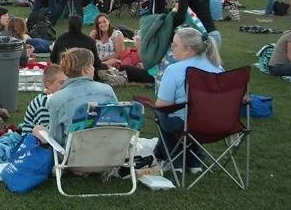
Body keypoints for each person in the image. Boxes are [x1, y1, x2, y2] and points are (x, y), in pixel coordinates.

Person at [153, 28, 223, 169]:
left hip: (187, 125)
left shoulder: (175, 70)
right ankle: (194, 159)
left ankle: (173, 159)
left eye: (175, 45)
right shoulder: (218, 68)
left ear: (189, 49)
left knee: (160, 113)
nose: (172, 49)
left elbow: (162, 105)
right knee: (180, 117)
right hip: (218, 124)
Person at [34, 48, 116, 146]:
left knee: (37, 129)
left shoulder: (57, 99)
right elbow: (118, 122)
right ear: (85, 69)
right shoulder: (107, 90)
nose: (94, 68)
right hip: (111, 151)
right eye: (92, 65)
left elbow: (56, 139)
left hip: (76, 157)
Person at [90, 13, 153, 83]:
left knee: (99, 68)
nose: (102, 24)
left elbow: (119, 53)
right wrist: (91, 37)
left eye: (104, 21)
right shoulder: (95, 34)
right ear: (97, 25)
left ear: (108, 21)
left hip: (112, 61)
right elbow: (90, 49)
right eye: (99, 23)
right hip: (97, 61)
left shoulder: (117, 34)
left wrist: (102, 59)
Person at [50, 14, 102, 78]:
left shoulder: (61, 39)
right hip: (85, 74)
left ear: (68, 26)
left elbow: (53, 58)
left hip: (65, 73)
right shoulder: (89, 41)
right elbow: (96, 62)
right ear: (81, 25)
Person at [19, 64, 66, 135]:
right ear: (49, 85)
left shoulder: (51, 98)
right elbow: (47, 134)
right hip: (33, 141)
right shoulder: (44, 104)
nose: (65, 86)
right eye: (61, 83)